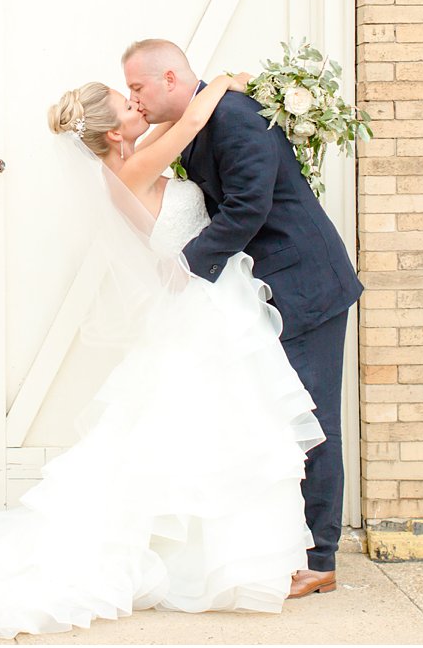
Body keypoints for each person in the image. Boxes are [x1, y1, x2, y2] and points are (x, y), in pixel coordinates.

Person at [0, 73, 326, 639]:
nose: (137, 105)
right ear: (110, 131)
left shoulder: (130, 161)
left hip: (206, 296)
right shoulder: (129, 168)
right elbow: (194, 119)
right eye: (127, 103)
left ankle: (225, 554)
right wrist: (224, 80)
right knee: (216, 423)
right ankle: (215, 558)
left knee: (208, 427)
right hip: (205, 304)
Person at [122, 38, 364, 598]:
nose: (135, 100)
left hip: (305, 285)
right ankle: (286, 542)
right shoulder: (206, 115)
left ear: (171, 79)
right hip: (261, 291)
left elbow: (248, 206)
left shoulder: (233, 117)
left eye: (138, 87)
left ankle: (321, 558)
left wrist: (188, 265)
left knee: (313, 417)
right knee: (275, 417)